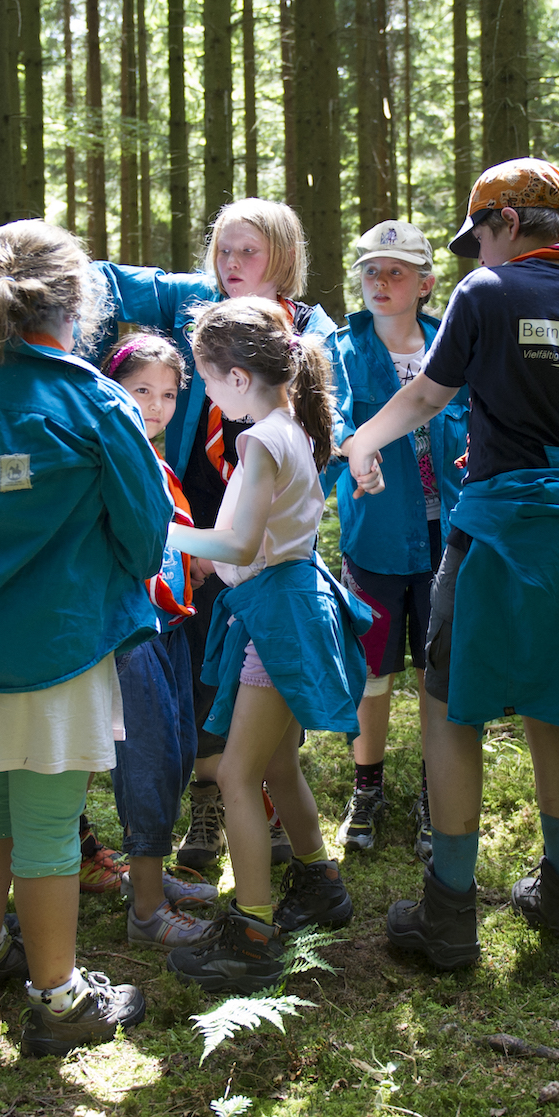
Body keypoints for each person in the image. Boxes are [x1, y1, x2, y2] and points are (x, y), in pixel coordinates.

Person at [342, 157, 559, 969]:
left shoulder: (489, 294)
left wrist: (364, 437)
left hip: (498, 534)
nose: (476, 258)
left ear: (508, 223)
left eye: (480, 240)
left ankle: (450, 913)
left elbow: (430, 395)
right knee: (557, 703)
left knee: (449, 705)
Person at [0, 220, 172, 1057]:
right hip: (57, 643)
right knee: (51, 823)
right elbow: (145, 525)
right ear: (75, 301)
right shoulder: (91, 399)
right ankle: (58, 999)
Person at [92, 200, 339, 875]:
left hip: (260, 533)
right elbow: (103, 281)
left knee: (264, 670)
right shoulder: (192, 300)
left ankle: (258, 805)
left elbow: (326, 441)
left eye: (248, 252)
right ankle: (215, 800)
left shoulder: (310, 333)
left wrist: (192, 539)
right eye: (223, 251)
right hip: (203, 507)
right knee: (210, 661)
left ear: (282, 256)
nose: (231, 265)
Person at [162, 298, 373, 993]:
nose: (206, 393)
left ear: (239, 378)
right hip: (282, 606)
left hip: (279, 613)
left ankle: (253, 931)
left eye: (207, 380)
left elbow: (236, 544)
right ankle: (320, 881)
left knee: (235, 773)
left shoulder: (261, 441)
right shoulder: (290, 430)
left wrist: (162, 535)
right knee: (278, 764)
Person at [322, 221, 467, 860]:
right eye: (371, 271)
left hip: (449, 540)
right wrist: (355, 450)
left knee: (441, 672)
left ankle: (439, 792)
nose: (381, 283)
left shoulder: (453, 345)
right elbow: (330, 421)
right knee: (374, 670)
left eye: (397, 272)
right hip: (376, 539)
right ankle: (368, 786)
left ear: (426, 284)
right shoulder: (338, 348)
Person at [101, 329, 222, 947]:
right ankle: (146, 912)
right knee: (146, 759)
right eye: (139, 389)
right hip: (134, 630)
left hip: (172, 622)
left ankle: (152, 877)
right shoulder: (111, 453)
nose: (155, 405)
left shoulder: (156, 457)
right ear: (110, 386)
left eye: (169, 394)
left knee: (177, 748)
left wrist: (198, 559)